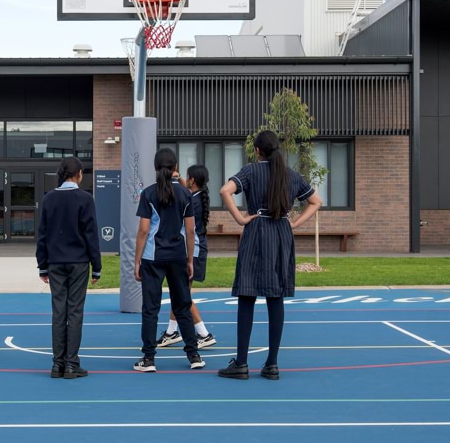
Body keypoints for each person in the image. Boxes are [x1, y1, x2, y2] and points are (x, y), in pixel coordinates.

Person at [217, 130, 322, 381]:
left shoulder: (251, 171)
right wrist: (293, 224)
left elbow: (224, 191)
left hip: (256, 230)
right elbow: (316, 201)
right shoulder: (292, 175)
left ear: (257, 151)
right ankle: (272, 364)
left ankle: (241, 363)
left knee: (247, 294)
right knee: (276, 297)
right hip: (281, 235)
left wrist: (241, 218)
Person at [132, 148, 204, 373]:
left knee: (150, 309)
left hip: (153, 257)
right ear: (175, 168)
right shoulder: (185, 194)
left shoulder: (149, 193)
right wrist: (190, 259)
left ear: (155, 167)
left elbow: (144, 230)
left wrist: (136, 261)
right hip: (178, 256)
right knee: (182, 305)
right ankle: (193, 355)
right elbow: (190, 230)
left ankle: (149, 358)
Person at [36, 156, 101, 379]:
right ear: (79, 174)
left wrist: (42, 266)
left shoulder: (49, 199)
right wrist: (97, 266)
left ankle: (57, 364)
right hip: (79, 262)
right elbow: (91, 234)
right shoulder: (85, 199)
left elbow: (42, 235)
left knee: (58, 312)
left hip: (55, 262)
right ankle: (72, 364)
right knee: (74, 312)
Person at [157, 164, 215, 350]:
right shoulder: (197, 197)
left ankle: (204, 333)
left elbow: (179, 198)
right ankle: (171, 332)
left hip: (192, 251)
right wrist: (180, 180)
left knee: (182, 296)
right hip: (196, 249)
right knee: (179, 292)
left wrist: (172, 180)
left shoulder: (190, 198)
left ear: (191, 181)